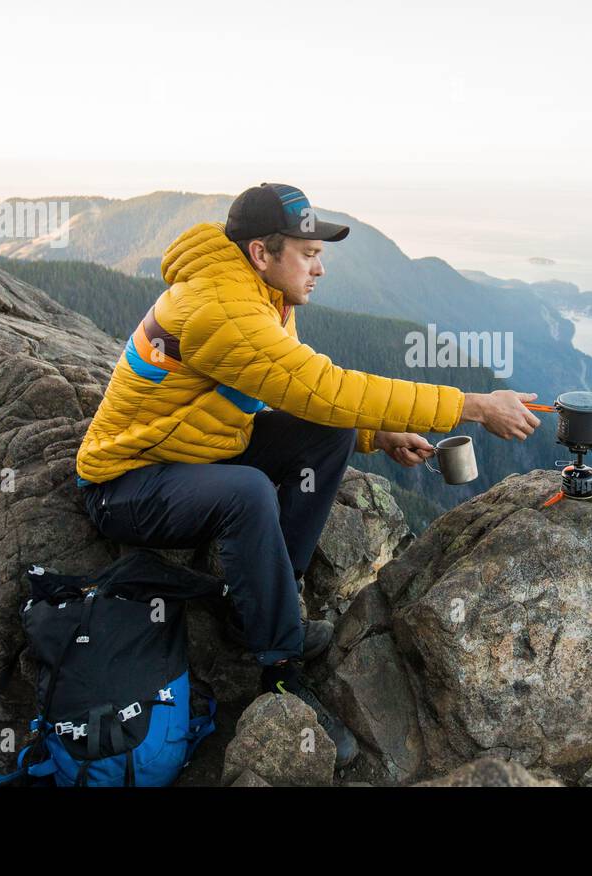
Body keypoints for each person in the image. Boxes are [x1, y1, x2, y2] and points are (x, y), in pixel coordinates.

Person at [74, 182, 541, 768]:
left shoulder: (261, 295)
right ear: (261, 254)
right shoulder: (222, 310)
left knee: (333, 431)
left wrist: (377, 433)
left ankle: (271, 602)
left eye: (319, 253)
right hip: (127, 485)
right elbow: (324, 386)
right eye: (307, 253)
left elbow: (304, 399)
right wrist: (472, 405)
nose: (320, 268)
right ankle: (277, 665)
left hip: (194, 456)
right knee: (246, 494)